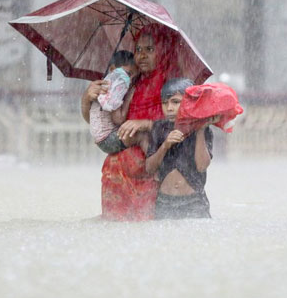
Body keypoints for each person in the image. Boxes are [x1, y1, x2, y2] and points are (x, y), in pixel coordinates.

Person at [81, 24, 182, 221]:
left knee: (147, 233)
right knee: (116, 236)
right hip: (117, 174)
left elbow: (181, 125)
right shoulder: (127, 81)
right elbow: (100, 123)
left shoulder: (171, 83)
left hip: (151, 173)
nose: (142, 55)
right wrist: (87, 99)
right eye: (138, 50)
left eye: (150, 50)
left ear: (163, 52)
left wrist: (145, 124)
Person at [145, 78, 220, 219]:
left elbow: (202, 166)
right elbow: (149, 168)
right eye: (164, 103)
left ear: (189, 103)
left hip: (194, 202)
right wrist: (165, 145)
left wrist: (200, 131)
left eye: (175, 102)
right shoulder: (159, 128)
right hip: (164, 201)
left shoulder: (203, 128)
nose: (169, 108)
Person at [89, 50, 141, 154]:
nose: (129, 80)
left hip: (102, 139)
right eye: (128, 74)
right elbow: (119, 119)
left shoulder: (105, 84)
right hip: (108, 139)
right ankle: (152, 160)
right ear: (112, 69)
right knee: (143, 136)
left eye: (134, 78)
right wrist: (129, 98)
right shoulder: (114, 89)